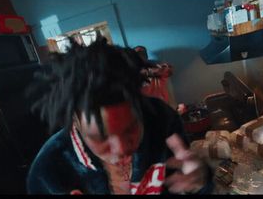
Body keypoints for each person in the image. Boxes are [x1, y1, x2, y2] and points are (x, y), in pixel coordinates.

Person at [26, 37, 213, 194]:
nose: (121, 149)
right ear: (75, 122)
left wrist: (201, 180)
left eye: (131, 128)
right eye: (101, 137)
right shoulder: (49, 172)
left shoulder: (161, 119)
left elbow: (187, 177)